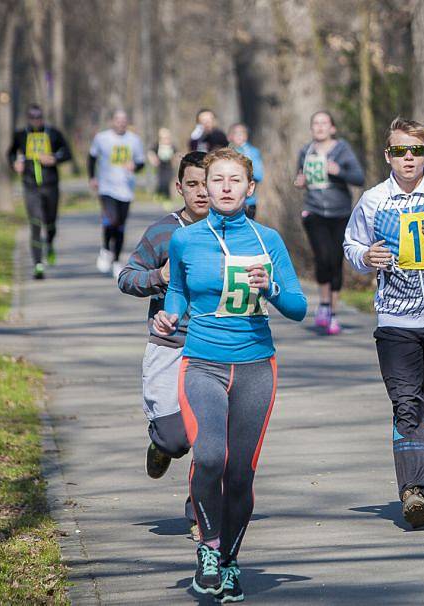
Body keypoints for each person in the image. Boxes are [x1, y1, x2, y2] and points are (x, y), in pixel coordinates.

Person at [152, 148, 306, 600]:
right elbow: (178, 292)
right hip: (201, 362)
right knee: (211, 457)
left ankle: (232, 561)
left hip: (257, 367)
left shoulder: (268, 241)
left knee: (240, 471)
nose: (223, 187)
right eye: (215, 179)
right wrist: (168, 316)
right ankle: (209, 548)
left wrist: (272, 288)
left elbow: (298, 308)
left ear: (249, 188)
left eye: (233, 180)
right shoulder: (186, 240)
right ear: (203, 185)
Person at [344, 118, 424, 529]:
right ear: (388, 156)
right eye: (400, 151)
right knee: (406, 403)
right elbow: (352, 243)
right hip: (395, 318)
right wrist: (367, 257)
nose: (409, 158)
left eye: (415, 149)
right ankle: (413, 492)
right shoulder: (373, 200)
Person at [117, 151, 209, 539]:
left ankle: (200, 514)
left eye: (209, 182)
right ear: (179, 188)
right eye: (193, 184)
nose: (203, 192)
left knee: (210, 437)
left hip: (214, 348)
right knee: (177, 438)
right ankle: (161, 444)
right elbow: (126, 277)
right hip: (169, 344)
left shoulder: (238, 231)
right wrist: (159, 275)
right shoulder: (162, 232)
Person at [294, 110, 365, 334]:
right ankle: (324, 305)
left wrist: (338, 171)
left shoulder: (341, 150)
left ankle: (332, 311)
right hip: (314, 211)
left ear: (332, 128)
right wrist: (300, 181)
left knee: (335, 260)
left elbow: (358, 178)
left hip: (340, 213)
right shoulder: (306, 151)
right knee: (322, 256)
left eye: (324, 123)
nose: (320, 127)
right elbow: (299, 176)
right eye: (316, 123)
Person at [6, 103, 72, 279]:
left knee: (50, 222)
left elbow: (67, 153)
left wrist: (54, 159)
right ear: (28, 118)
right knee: (35, 223)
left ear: (43, 117)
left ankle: (49, 243)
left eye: (39, 117)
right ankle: (38, 264)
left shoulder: (52, 133)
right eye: (33, 118)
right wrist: (15, 163)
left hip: (50, 185)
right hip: (30, 186)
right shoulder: (21, 135)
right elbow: (11, 153)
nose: (36, 121)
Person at [88, 109, 146, 279]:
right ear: (112, 121)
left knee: (120, 225)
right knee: (110, 220)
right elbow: (91, 157)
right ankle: (106, 248)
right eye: (117, 119)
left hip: (126, 189)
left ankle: (116, 260)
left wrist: (135, 167)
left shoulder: (134, 140)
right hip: (106, 187)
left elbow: (141, 162)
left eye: (124, 120)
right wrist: (92, 177)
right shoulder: (102, 138)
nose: (121, 122)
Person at [228, 123, 264, 220]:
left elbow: (258, 175)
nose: (239, 136)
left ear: (246, 136)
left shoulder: (252, 152)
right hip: (228, 201)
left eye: (242, 133)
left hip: (248, 201)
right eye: (236, 133)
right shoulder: (227, 152)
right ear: (230, 136)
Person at [147, 127, 177, 201]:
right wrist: (153, 159)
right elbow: (150, 152)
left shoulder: (172, 146)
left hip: (169, 166)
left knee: (168, 180)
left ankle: (167, 196)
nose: (165, 139)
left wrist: (175, 161)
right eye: (163, 138)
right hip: (160, 165)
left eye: (167, 137)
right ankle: (158, 193)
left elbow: (176, 154)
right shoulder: (157, 145)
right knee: (161, 181)